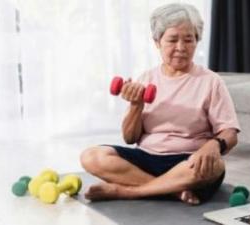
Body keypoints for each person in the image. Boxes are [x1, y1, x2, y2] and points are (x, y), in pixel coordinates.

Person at [80, 3, 240, 205]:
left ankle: (127, 191)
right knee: (91, 156)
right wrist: (136, 106)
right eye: (173, 40)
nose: (181, 48)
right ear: (157, 42)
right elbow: (130, 138)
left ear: (196, 42)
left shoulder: (211, 81)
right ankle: (173, 190)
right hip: (147, 158)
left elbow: (230, 134)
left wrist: (214, 145)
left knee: (216, 166)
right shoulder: (146, 78)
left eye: (188, 40)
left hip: (188, 161)